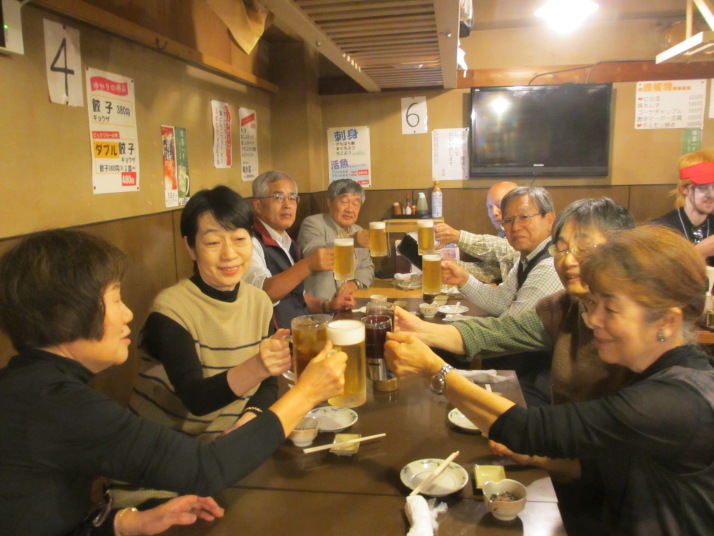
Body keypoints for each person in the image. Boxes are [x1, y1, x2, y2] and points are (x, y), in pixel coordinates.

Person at [0, 229, 346, 536]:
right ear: (65, 314)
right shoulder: (53, 403)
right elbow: (205, 468)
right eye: (115, 299)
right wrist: (306, 393)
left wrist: (124, 524)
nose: (128, 314)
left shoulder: (32, 386)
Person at [385, 225, 714, 536]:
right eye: (593, 304)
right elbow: (606, 466)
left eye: (611, 309)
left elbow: (527, 429)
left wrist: (435, 370)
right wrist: (539, 458)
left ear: (667, 321)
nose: (592, 319)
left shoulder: (677, 402)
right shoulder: (662, 375)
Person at [394, 197, 635, 405]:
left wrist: (437, 370)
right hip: (555, 416)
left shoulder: (635, 320)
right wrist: (421, 329)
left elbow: (608, 418)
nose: (569, 260)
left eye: (583, 248)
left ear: (549, 220)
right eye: (562, 249)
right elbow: (505, 326)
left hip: (533, 379)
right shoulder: (563, 302)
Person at [130, 186, 289, 444]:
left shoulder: (259, 301)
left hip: (228, 442)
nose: (229, 254)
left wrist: (247, 421)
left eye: (240, 239)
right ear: (191, 247)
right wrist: (258, 366)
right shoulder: (171, 309)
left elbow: (267, 382)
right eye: (213, 243)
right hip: (164, 448)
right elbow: (196, 399)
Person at [244, 170, 354, 329]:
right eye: (278, 197)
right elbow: (262, 293)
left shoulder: (287, 241)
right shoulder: (248, 241)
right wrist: (307, 265)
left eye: (292, 198)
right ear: (257, 205)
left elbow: (298, 296)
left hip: (300, 332)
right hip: (274, 340)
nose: (287, 205)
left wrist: (328, 305)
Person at [440, 185, 562, 317]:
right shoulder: (527, 257)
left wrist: (457, 236)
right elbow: (502, 301)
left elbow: (512, 325)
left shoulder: (550, 265)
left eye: (524, 217)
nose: (515, 227)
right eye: (508, 220)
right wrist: (463, 279)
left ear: (549, 220)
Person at [298, 179, 374, 300]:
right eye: (344, 202)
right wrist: (352, 242)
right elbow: (314, 254)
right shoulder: (313, 223)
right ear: (329, 202)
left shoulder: (357, 230)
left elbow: (367, 267)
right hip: (321, 304)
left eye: (356, 204)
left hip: (352, 301)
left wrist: (355, 283)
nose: (350, 209)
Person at [434, 181, 519, 284]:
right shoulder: (503, 232)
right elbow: (492, 271)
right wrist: (454, 264)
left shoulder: (526, 233)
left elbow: (506, 249)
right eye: (490, 207)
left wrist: (457, 236)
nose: (494, 212)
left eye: (499, 205)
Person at [652, 149, 714, 265]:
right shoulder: (660, 230)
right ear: (684, 189)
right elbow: (654, 272)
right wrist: (699, 252)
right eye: (703, 187)